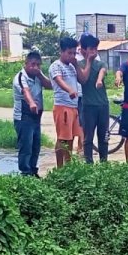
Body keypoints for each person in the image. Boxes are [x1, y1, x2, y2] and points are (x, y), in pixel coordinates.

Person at [13, 51, 50, 177]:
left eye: (38, 65)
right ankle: (25, 173)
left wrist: (40, 74)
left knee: (36, 146)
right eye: (33, 64)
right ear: (26, 63)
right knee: (26, 147)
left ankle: (33, 171)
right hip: (24, 117)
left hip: (36, 117)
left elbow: (49, 85)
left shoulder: (38, 75)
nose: (35, 67)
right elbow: (26, 91)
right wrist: (32, 103)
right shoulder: (20, 77)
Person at [48, 36, 82, 168]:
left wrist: (76, 65)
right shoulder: (56, 66)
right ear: (61, 52)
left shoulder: (72, 67)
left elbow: (81, 78)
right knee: (62, 138)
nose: (72, 56)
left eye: (74, 53)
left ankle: (68, 166)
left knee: (71, 138)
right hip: (62, 106)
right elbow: (59, 80)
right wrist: (70, 90)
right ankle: (59, 167)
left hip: (73, 106)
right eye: (69, 53)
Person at [76, 34, 109, 163]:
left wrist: (99, 80)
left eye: (95, 49)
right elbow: (83, 80)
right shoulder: (79, 64)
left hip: (103, 105)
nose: (94, 51)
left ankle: (104, 163)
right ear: (83, 50)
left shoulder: (101, 63)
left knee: (104, 137)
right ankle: (89, 164)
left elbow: (103, 71)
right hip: (88, 106)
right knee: (88, 138)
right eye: (91, 49)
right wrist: (88, 61)